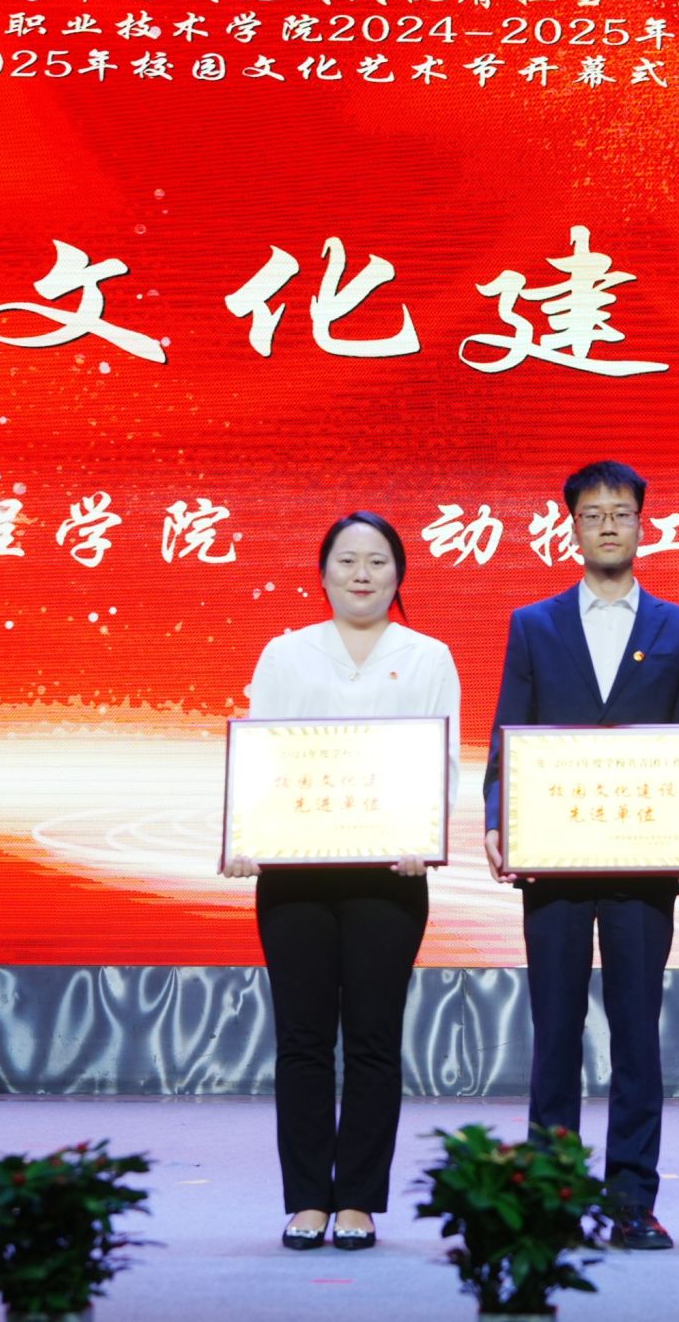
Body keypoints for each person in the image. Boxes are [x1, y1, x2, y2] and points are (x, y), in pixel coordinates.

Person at [482, 460, 679, 1252]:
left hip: (643, 865)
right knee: (554, 1029)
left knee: (637, 1034)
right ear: (573, 527)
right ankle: (550, 1192)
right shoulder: (534, 624)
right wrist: (497, 818)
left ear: (643, 524)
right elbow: (508, 731)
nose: (609, 525)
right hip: (554, 858)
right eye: (593, 513)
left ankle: (631, 1199)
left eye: (621, 512)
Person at [227, 511, 461, 1252]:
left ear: (399, 574)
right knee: (301, 1040)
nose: (362, 573)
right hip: (294, 875)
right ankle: (306, 1198)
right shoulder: (286, 652)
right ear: (323, 572)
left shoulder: (428, 656)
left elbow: (443, 760)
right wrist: (245, 836)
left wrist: (425, 835)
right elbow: (262, 753)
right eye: (348, 560)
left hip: (389, 876)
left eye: (378, 561)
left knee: (372, 1039)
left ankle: (357, 1198)